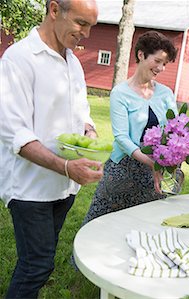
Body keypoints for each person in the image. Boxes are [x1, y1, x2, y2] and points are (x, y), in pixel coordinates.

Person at [0, 0, 103, 298]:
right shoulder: (18, 59)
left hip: (64, 188)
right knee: (36, 266)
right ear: (55, 10)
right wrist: (68, 166)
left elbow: (82, 112)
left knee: (38, 262)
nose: (85, 33)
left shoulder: (72, 62)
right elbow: (14, 134)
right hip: (30, 188)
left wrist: (90, 132)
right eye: (81, 24)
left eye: (90, 27)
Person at [81, 31, 178, 225]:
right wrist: (150, 162)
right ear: (141, 55)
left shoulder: (166, 93)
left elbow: (176, 130)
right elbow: (121, 137)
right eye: (157, 61)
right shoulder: (121, 93)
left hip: (156, 169)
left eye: (164, 64)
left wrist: (167, 161)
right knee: (100, 221)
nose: (161, 68)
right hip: (124, 167)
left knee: (147, 222)